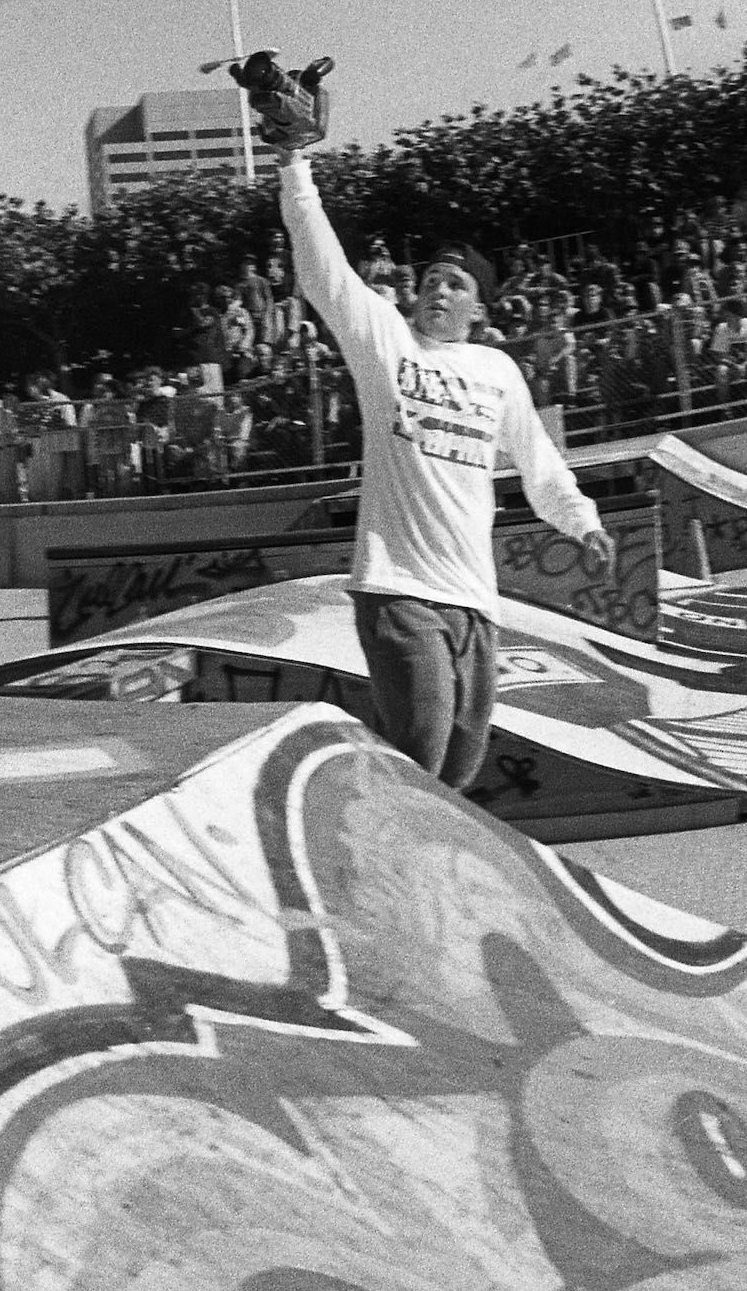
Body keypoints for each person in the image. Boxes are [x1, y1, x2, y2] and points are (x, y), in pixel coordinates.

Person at [252, 61, 614, 791]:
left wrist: (583, 524)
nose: (436, 292)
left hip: (474, 601)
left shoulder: (496, 371)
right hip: (398, 590)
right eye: (428, 282)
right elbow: (323, 274)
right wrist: (295, 166)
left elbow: (539, 468)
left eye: (454, 285)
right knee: (419, 743)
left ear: (478, 307)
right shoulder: (386, 345)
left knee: (456, 766)